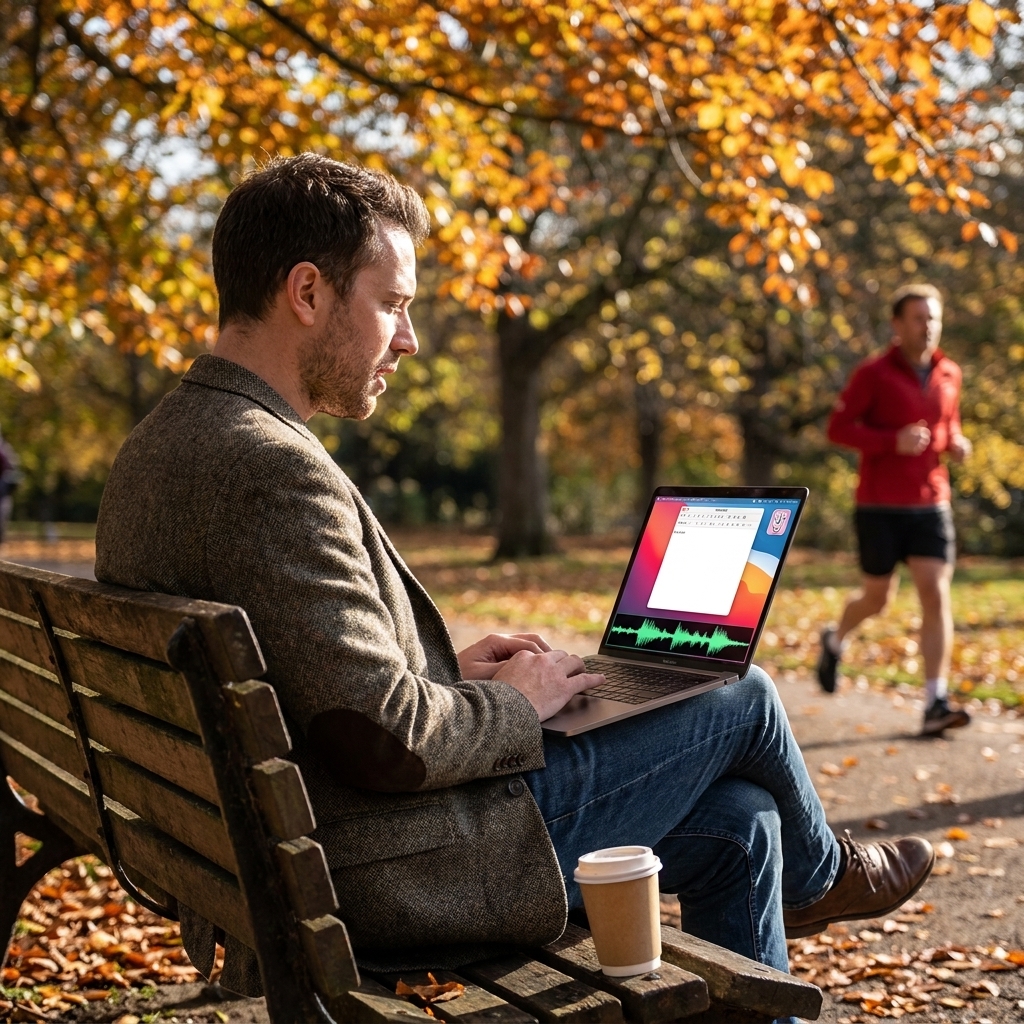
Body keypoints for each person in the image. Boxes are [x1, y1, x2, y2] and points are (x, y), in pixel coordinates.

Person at [94, 156, 934, 1005]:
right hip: (389, 876)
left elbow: (316, 689)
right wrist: (518, 702)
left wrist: (450, 675)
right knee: (740, 693)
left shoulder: (159, 448)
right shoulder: (272, 469)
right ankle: (822, 878)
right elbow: (387, 741)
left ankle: (806, 873)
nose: (410, 339)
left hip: (277, 854)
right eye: (393, 304)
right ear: (306, 293)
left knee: (745, 822)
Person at [819, 284, 972, 736]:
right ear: (898, 324)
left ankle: (934, 701)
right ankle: (835, 638)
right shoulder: (874, 374)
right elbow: (838, 428)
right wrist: (891, 442)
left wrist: (954, 443)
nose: (928, 327)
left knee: (935, 593)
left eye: (934, 319)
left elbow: (948, 424)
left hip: (930, 501)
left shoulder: (950, 373)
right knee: (877, 598)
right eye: (919, 318)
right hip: (879, 505)